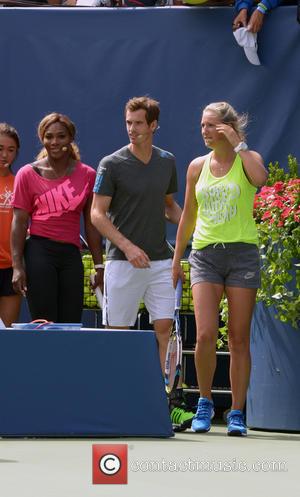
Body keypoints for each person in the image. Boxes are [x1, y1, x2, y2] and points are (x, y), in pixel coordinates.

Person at [91, 96, 194, 431]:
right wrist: (127, 246)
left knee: (166, 329)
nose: (132, 129)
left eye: (138, 123)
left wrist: (193, 230)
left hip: (161, 262)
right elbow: (97, 214)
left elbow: (168, 206)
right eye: (128, 123)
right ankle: (116, 401)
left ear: (153, 125)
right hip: (122, 262)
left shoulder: (167, 162)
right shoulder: (112, 163)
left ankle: (170, 402)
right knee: (117, 334)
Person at [172, 101, 268, 436]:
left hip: (242, 255)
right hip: (204, 255)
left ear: (228, 127)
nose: (205, 132)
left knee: (239, 338)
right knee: (204, 334)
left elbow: (260, 179)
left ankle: (237, 412)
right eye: (202, 125)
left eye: (212, 125)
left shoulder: (247, 159)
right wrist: (176, 259)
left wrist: (239, 143)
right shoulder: (196, 166)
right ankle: (204, 402)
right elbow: (188, 215)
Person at [11, 112, 103, 323]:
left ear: (70, 139)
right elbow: (19, 222)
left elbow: (91, 225)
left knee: (71, 323)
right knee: (44, 323)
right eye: (49, 136)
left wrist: (99, 266)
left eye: (61, 136)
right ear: (42, 139)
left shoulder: (88, 174)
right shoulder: (27, 173)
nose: (55, 142)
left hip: (71, 255)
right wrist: (17, 266)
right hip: (39, 252)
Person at [0, 123, 22, 327]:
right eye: (0, 149)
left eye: (10, 150)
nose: (4, 155)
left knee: (6, 335)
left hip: (11, 269)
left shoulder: (20, 183)